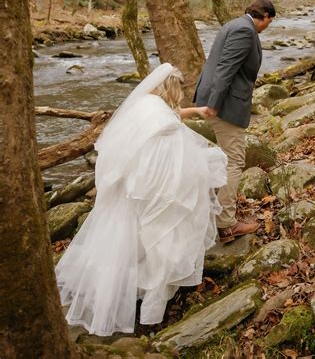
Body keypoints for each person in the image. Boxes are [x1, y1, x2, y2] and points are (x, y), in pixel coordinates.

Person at [55, 63, 227, 337]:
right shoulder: (161, 120)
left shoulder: (141, 104)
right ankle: (150, 313)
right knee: (160, 240)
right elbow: (169, 156)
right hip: (151, 188)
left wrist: (195, 111)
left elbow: (165, 119)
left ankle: (107, 294)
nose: (179, 94)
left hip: (126, 185)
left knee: (119, 243)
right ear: (169, 88)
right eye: (178, 89)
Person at [194, 0, 275, 243]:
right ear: (264, 16)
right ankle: (226, 224)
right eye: (269, 21)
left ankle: (214, 211)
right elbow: (226, 68)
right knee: (234, 160)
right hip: (225, 103)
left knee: (226, 158)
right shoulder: (243, 30)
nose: (268, 26)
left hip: (223, 99)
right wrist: (214, 104)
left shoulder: (234, 24)